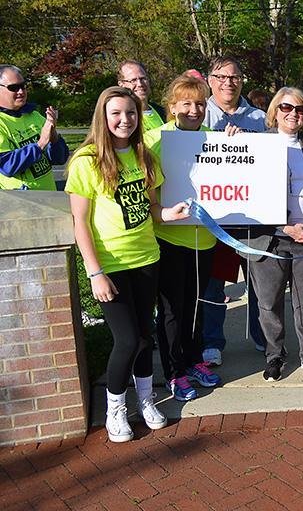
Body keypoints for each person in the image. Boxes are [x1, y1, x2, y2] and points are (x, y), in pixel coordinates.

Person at [65, 86, 188, 442]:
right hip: (111, 264)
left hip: (147, 258)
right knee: (127, 339)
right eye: (116, 113)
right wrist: (95, 272)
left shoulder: (143, 156)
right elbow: (79, 223)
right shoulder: (86, 161)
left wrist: (169, 213)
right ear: (102, 117)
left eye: (131, 113)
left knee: (145, 336)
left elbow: (151, 208)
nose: (125, 120)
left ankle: (146, 400)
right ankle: (115, 408)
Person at [244, 87, 303, 380]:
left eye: (300, 109)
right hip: (270, 238)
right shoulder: (258, 144)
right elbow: (251, 197)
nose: (293, 113)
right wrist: (285, 227)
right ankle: (274, 355)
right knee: (269, 302)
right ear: (275, 111)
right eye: (286, 107)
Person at [144, 75, 221, 401]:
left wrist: (235, 143)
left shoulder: (215, 138)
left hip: (205, 239)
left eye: (200, 104)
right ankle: (174, 372)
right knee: (172, 311)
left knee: (195, 305)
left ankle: (193, 360)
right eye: (186, 103)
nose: (194, 110)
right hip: (170, 239)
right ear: (172, 107)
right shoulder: (154, 141)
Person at [200, 56, 267, 366]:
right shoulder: (198, 114)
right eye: (221, 77)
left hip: (252, 217)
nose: (229, 82)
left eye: (235, 77)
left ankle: (263, 336)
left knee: (259, 282)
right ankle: (212, 342)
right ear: (209, 80)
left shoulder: (259, 118)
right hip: (214, 218)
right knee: (214, 284)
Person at [0, 65, 69, 190]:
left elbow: (59, 159)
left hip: (49, 197)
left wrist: (53, 136)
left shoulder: (34, 115)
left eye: (23, 86)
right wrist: (40, 144)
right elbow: (7, 166)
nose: (21, 92)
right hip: (20, 201)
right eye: (13, 88)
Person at [117, 60, 164, 132]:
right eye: (133, 80)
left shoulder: (164, 113)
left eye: (143, 79)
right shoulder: (121, 119)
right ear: (121, 85)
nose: (140, 84)